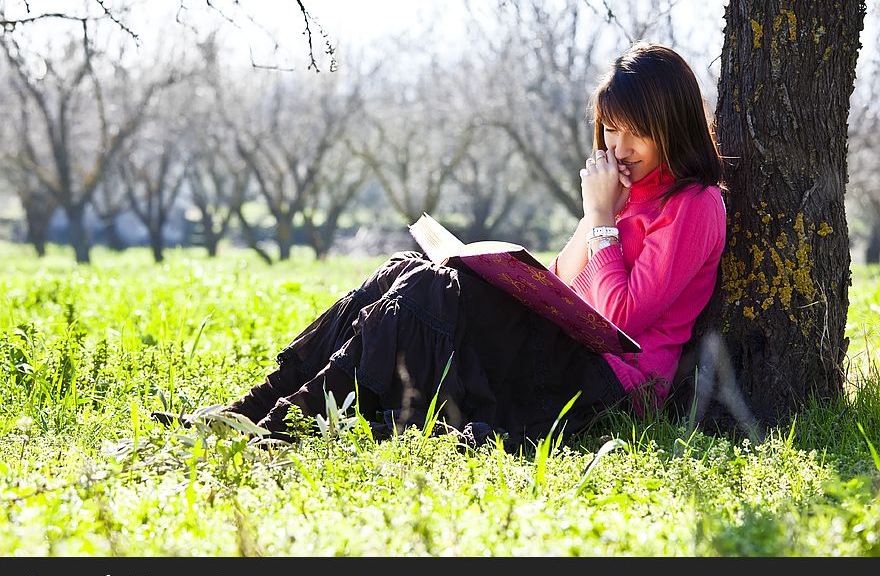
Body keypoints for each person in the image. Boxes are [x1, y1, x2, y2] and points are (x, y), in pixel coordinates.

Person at [155, 42, 726, 452]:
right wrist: (579, 228)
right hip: (563, 346)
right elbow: (564, 280)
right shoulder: (623, 190)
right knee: (402, 271)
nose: (617, 146)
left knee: (427, 293)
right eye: (609, 129)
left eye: (635, 132)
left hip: (608, 385)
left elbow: (619, 320)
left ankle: (286, 426)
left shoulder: (693, 205)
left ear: (672, 126)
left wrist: (599, 215)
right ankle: (251, 410)